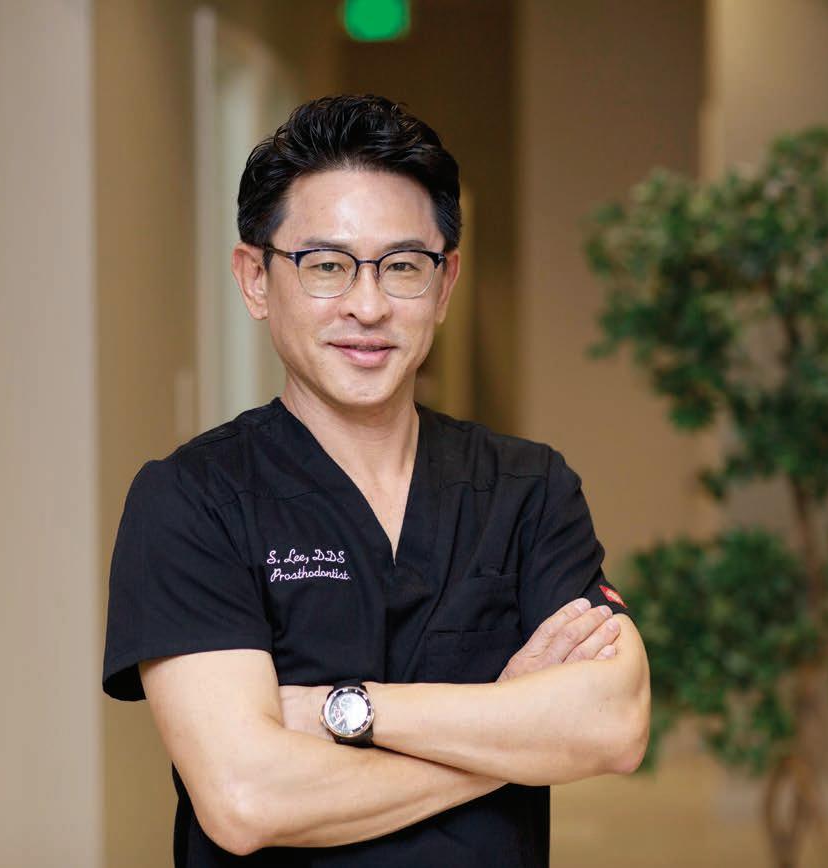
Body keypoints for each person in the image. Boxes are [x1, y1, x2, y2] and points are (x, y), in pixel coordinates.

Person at [101, 93, 650, 867]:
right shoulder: (192, 501)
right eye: (326, 266)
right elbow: (246, 799)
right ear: (254, 278)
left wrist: (345, 712)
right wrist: (507, 728)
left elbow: (612, 726)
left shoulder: (528, 489)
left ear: (444, 283)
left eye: (402, 267)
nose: (367, 306)